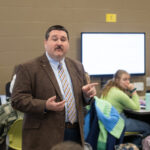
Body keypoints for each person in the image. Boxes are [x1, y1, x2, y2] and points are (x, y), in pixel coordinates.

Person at [11, 25, 98, 150]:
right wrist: (45, 105)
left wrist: (86, 95)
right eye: (54, 39)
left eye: (63, 39)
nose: (59, 43)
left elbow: (83, 101)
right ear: (45, 43)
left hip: (75, 133)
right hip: (44, 136)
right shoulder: (28, 68)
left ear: (68, 43)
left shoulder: (77, 66)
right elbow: (17, 100)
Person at [100, 69, 150, 147]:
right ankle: (134, 147)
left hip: (109, 122)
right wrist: (133, 91)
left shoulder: (108, 89)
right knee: (147, 127)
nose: (128, 82)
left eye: (129, 79)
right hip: (118, 122)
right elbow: (136, 107)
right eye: (125, 79)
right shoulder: (118, 93)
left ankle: (133, 145)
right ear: (117, 80)